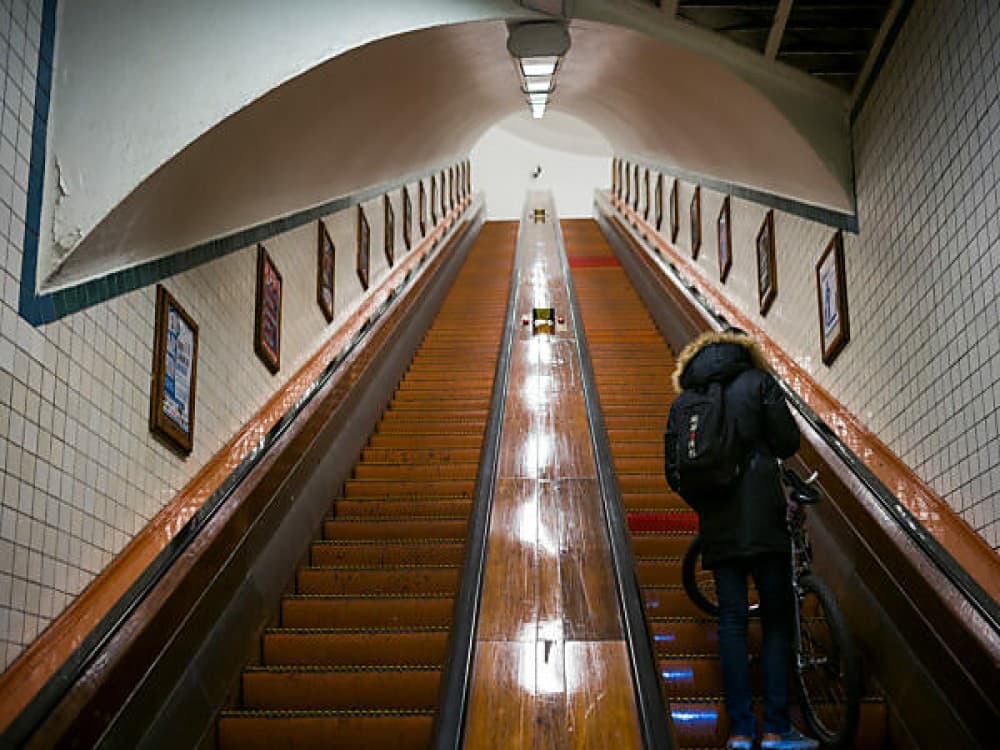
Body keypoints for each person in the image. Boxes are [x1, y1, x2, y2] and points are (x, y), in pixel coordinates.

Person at [664, 328, 819, 750]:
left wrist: (707, 499)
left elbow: (673, 471)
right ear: (742, 352)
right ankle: (776, 728)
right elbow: (788, 442)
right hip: (765, 518)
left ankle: (739, 731)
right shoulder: (757, 382)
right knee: (775, 619)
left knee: (731, 623)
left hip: (717, 524)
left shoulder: (684, 402)